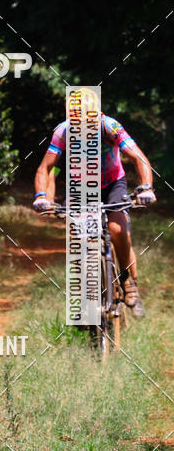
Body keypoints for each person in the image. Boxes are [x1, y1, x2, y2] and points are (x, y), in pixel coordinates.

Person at [33, 107, 156, 316]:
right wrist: (42, 197)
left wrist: (146, 188)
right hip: (81, 186)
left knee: (117, 228)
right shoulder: (62, 132)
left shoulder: (111, 126)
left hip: (112, 183)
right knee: (78, 233)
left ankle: (129, 282)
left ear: (99, 116)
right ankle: (84, 295)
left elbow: (139, 158)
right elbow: (46, 169)